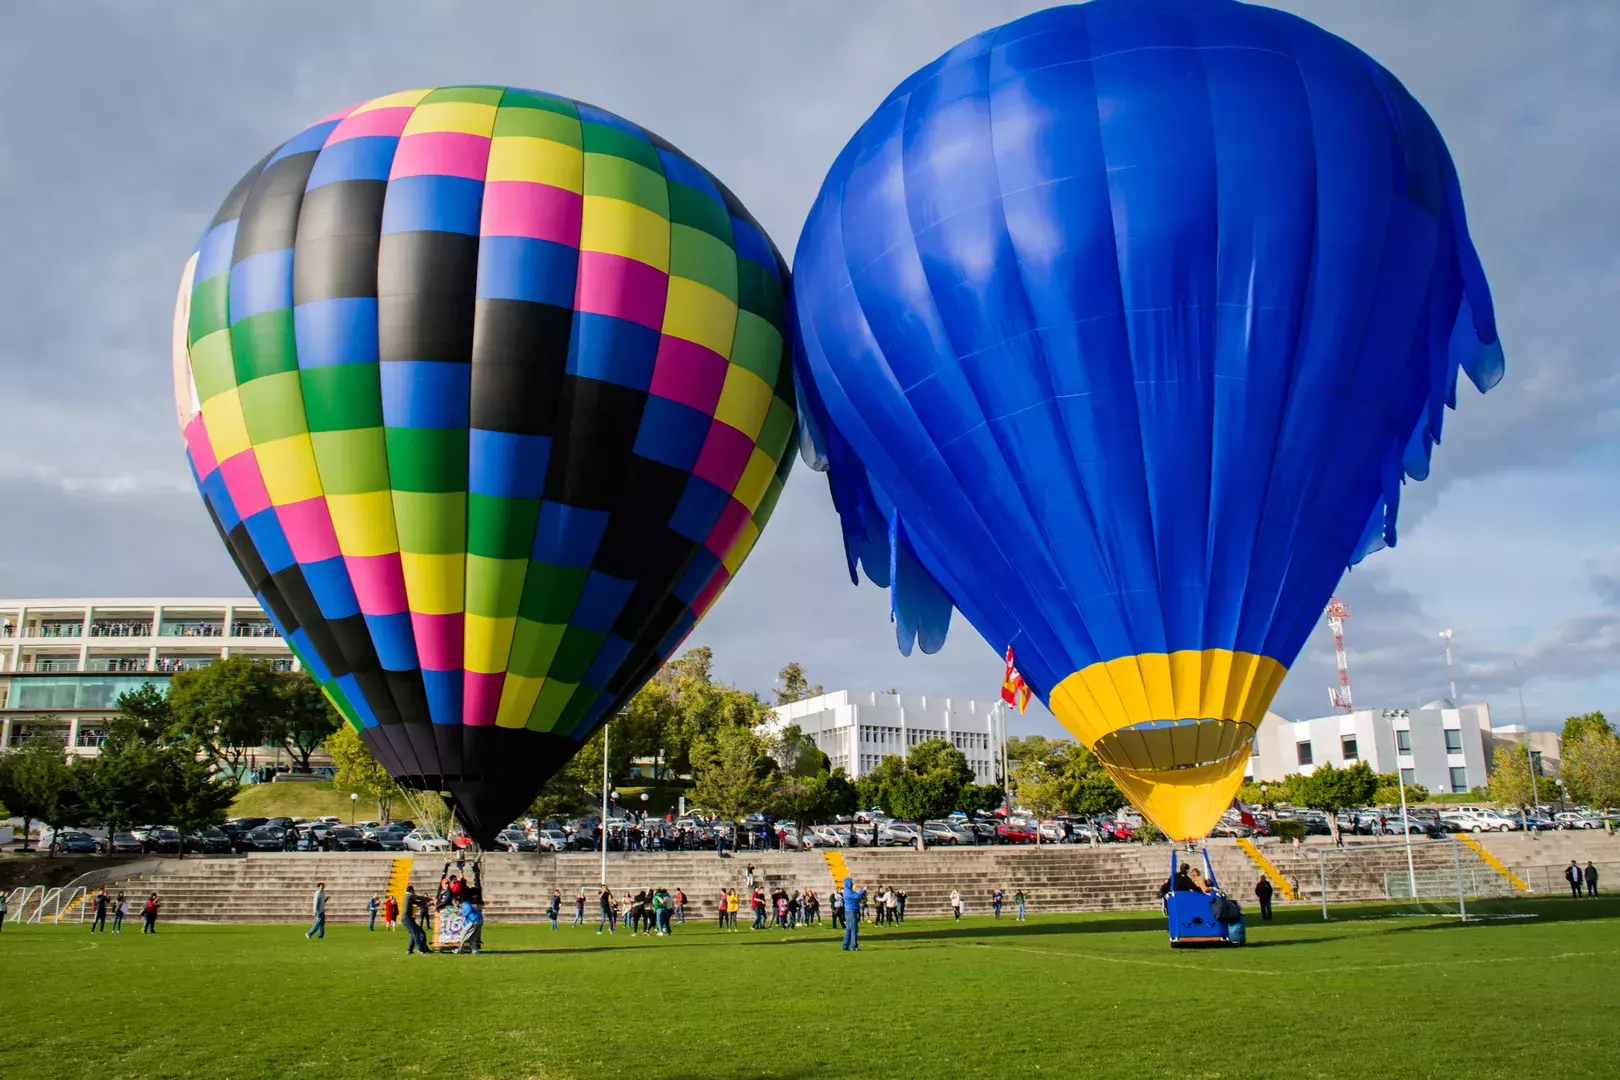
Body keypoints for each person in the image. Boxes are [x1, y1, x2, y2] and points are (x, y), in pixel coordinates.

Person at [839, 876, 867, 951]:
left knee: (849, 929)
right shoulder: (848, 892)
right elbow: (857, 896)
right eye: (851, 883)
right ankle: (853, 946)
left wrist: (861, 891)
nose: (852, 884)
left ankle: (845, 946)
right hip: (851, 912)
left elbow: (856, 895)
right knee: (854, 929)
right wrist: (863, 890)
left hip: (848, 912)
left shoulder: (847, 891)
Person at [403, 885, 429, 954]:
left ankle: (409, 949)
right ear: (411, 891)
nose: (414, 893)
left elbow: (417, 903)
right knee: (417, 933)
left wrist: (427, 904)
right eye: (414, 891)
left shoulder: (407, 897)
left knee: (413, 933)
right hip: (407, 918)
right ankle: (420, 949)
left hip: (407, 918)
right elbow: (418, 897)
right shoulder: (409, 896)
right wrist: (428, 899)